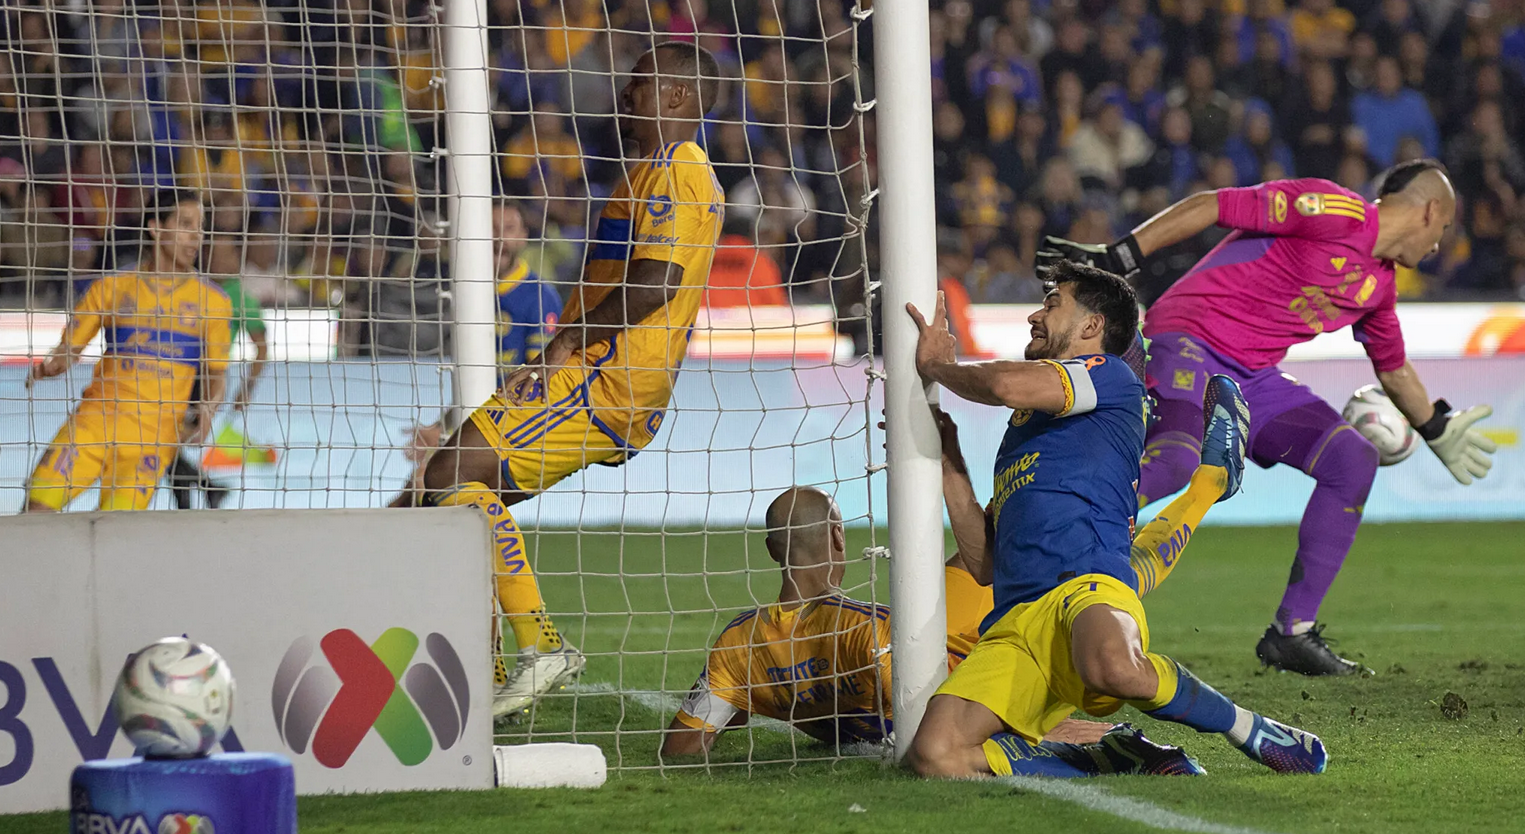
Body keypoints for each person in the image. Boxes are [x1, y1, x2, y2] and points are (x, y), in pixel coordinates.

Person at [1037, 160, 1498, 675]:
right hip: (1186, 339)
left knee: (1352, 460)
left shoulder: (1380, 287)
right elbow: (1214, 204)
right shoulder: (1334, 210)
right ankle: (1057, 534)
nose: (1439, 246)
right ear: (1431, 210)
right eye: (1445, 229)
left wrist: (1435, 425)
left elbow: (1392, 369)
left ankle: (1292, 634)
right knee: (1177, 462)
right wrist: (1124, 254)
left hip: (1252, 375)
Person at [903, 263, 1327, 779]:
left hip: (1086, 589)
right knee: (934, 754)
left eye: (1053, 302)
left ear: (1091, 326)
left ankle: (1250, 728)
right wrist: (949, 461)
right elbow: (984, 563)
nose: (1037, 314)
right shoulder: (1022, 434)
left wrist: (939, 368)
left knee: (1114, 666)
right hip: (1016, 621)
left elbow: (1006, 382)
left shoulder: (1108, 376)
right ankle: (1104, 756)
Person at [413, 42, 724, 717]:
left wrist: (569, 338)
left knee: (442, 481)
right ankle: (492, 664)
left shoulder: (677, 171)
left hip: (602, 378)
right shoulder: (646, 171)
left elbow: (655, 283)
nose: (623, 97)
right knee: (454, 498)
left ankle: (540, 647)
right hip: (599, 375)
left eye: (638, 84)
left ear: (676, 96)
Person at [25, 188, 233, 512]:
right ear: (156, 228)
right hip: (94, 426)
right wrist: (55, 364)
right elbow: (70, 347)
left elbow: (217, 373)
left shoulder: (215, 303)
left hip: (152, 443)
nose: (196, 236)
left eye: (201, 226)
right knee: (35, 515)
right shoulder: (111, 288)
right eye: (186, 223)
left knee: (113, 536)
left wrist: (208, 407)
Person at [398, 199, 562, 494]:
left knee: (422, 488)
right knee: (419, 491)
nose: (500, 238)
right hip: (475, 418)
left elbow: (539, 380)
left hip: (514, 427)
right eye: (491, 229)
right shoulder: (464, 292)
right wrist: (443, 426)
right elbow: (476, 381)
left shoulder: (539, 297)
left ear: (524, 236)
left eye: (509, 229)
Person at [166, 263, 270, 510]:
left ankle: (202, 493)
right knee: (167, 445)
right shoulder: (191, 287)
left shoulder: (239, 297)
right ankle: (204, 492)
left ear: (235, 255)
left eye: (225, 252)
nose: (218, 257)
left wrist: (248, 387)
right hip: (174, 375)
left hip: (204, 379)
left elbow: (262, 346)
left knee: (167, 444)